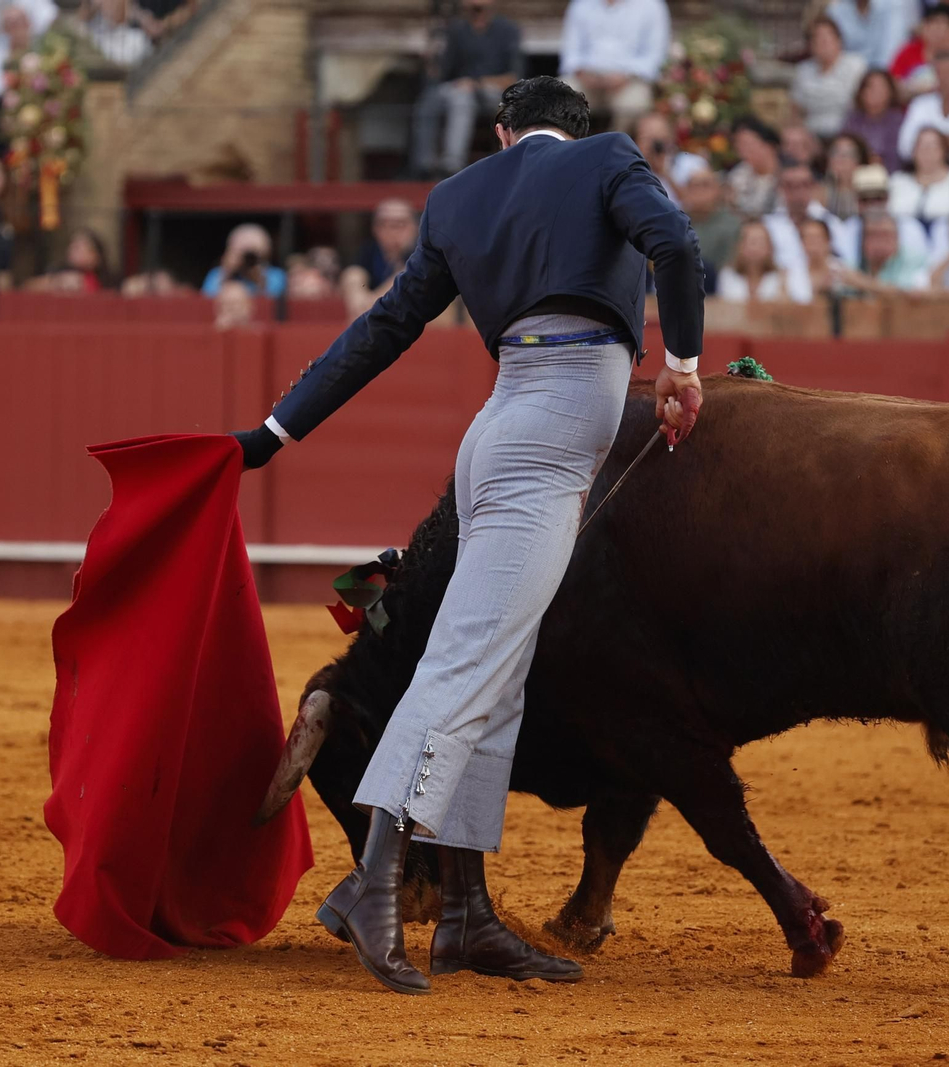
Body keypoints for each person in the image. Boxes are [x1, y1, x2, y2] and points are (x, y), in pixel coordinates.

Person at [227, 76, 703, 995]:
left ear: (501, 134)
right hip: (553, 432)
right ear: (580, 132)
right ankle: (372, 886)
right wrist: (682, 365)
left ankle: (464, 915)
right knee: (468, 664)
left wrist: (276, 432)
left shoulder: (458, 196)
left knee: (499, 676)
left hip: (496, 430)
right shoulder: (609, 160)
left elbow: (384, 327)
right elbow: (674, 242)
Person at [411, 0, 520, 179]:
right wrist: (432, 61)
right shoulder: (456, 30)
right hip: (459, 90)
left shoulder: (507, 30)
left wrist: (476, 83)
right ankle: (424, 165)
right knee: (431, 101)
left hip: (494, 92)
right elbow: (443, 74)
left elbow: (513, 77)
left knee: (462, 98)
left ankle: (452, 165)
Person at [557, 0, 669, 132]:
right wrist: (583, 73)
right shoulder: (580, 4)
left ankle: (617, 146)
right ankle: (572, 145)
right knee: (559, 95)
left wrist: (625, 76)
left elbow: (655, 57)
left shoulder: (652, 6)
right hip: (587, 79)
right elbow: (570, 53)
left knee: (634, 103)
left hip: (629, 80)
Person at [792, 16, 867, 139]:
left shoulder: (856, 66)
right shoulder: (803, 70)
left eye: (826, 38)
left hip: (847, 133)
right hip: (811, 135)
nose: (822, 43)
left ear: (839, 40)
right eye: (816, 38)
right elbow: (795, 110)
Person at [763, 162, 845, 273]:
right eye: (790, 186)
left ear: (814, 187)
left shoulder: (831, 223)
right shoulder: (767, 225)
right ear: (780, 188)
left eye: (804, 184)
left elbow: (844, 261)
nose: (798, 192)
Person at [889, 3, 949, 94]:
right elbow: (892, 85)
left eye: (945, 26)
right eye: (935, 25)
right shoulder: (908, 51)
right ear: (924, 28)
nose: (940, 32)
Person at [887, 125, 949, 236]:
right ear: (913, 151)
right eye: (921, 146)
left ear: (945, 151)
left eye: (933, 146)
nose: (927, 151)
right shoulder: (897, 181)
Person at [677, 165, 740, 287]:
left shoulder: (732, 224)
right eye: (693, 186)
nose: (699, 191)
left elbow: (730, 266)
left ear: (718, 191)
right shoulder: (675, 222)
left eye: (705, 185)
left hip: (717, 287)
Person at [717, 217, 803, 301]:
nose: (755, 248)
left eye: (761, 242)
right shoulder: (727, 276)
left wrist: (784, 289)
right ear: (740, 246)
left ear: (770, 247)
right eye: (752, 242)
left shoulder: (780, 277)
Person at [201, 223, 286, 298]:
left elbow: (276, 306)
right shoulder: (217, 274)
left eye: (253, 256)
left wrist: (260, 280)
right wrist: (226, 273)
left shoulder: (277, 276)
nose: (248, 260)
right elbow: (206, 301)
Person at [824, 0, 915, 70]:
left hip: (883, 76)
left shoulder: (892, 5)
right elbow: (833, 53)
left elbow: (890, 53)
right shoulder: (835, 11)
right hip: (847, 75)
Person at [842, 69, 904, 172]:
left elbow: (898, 157)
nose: (875, 92)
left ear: (890, 92)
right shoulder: (853, 119)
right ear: (861, 92)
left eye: (881, 87)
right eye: (870, 87)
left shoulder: (897, 120)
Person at [726, 116, 781, 217]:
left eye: (747, 145)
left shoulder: (790, 172)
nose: (743, 152)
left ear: (769, 146)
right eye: (739, 147)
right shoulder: (738, 174)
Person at [822, 132, 868, 219]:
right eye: (835, 153)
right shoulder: (818, 191)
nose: (840, 159)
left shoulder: (868, 194)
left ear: (860, 162)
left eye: (847, 154)